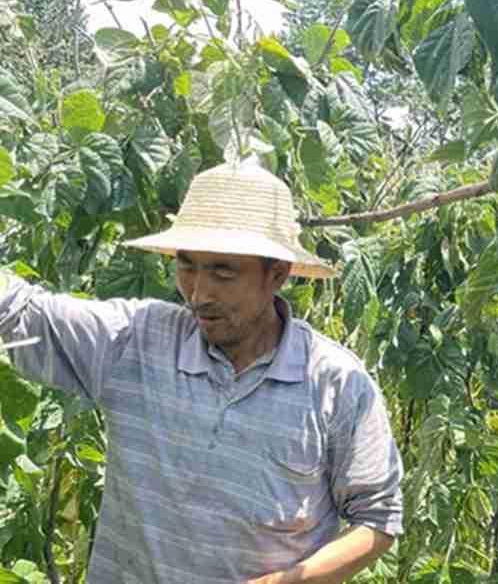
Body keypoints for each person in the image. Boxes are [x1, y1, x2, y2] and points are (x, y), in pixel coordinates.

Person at [0, 162, 403, 582]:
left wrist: (293, 580)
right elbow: (19, 311)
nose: (198, 293)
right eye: (187, 265)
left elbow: (378, 517)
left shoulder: (334, 383)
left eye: (223, 272)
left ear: (277, 274)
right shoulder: (134, 341)